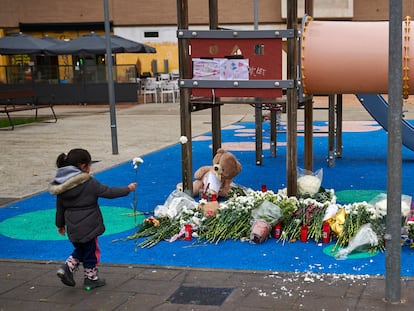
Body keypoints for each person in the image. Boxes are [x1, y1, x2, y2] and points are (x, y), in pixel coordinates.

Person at [49, 148, 136, 289]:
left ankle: (68, 268)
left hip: (72, 225)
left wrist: (60, 224)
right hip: (89, 224)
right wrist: (128, 189)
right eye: (89, 165)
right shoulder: (89, 182)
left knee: (81, 249)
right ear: (83, 166)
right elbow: (108, 192)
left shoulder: (62, 186)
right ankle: (90, 278)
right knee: (91, 252)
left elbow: (60, 207)